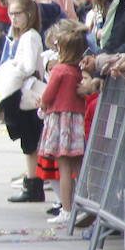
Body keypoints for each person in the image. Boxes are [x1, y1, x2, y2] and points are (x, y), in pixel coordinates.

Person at [0, 0, 46, 205]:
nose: (13, 18)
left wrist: (12, 67)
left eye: (18, 14)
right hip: (25, 93)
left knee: (31, 143)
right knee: (29, 143)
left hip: (28, 93)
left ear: (29, 14)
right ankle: (32, 184)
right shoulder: (24, 35)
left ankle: (33, 186)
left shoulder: (30, 36)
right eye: (11, 14)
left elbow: (29, 66)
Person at [38, 24, 88, 226]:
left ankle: (67, 209)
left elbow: (48, 95)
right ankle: (86, 207)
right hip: (76, 121)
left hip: (60, 121)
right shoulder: (77, 71)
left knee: (64, 167)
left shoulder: (59, 70)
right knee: (79, 166)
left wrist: (41, 103)